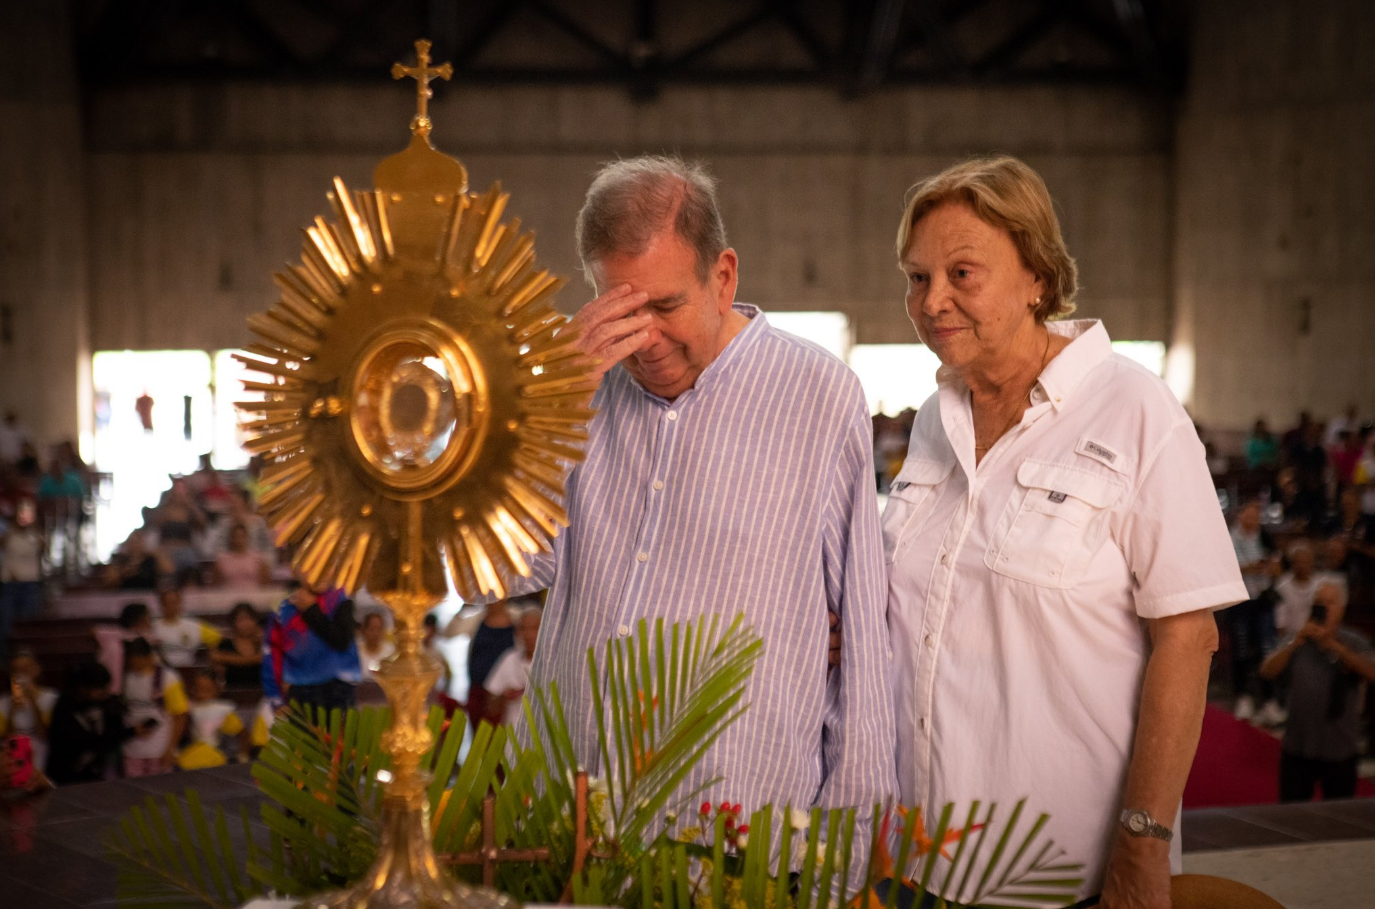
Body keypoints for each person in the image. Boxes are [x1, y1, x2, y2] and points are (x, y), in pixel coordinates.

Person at [481, 156, 895, 870]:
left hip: (744, 833)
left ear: (723, 276)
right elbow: (486, 573)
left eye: (666, 306)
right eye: (620, 309)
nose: (643, 340)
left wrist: (847, 850)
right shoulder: (572, 394)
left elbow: (858, 630)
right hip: (571, 820)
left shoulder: (817, 395)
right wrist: (550, 411)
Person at [884, 155, 1246, 908]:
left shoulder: (1132, 409)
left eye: (961, 272)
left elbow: (1187, 635)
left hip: (1060, 871)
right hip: (911, 859)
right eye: (916, 278)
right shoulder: (932, 421)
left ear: (1037, 277)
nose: (932, 300)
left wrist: (1142, 843)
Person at [1260, 581, 1375, 800]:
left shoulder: (1354, 641)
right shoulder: (1297, 639)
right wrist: (1296, 642)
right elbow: (1267, 671)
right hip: (1298, 747)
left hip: (1339, 749)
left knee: (1338, 818)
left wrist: (1334, 645)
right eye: (1318, 603)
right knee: (1291, 814)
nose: (1323, 607)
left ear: (1341, 608)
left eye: (1329, 603)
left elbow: (1371, 673)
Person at [262, 584, 361, 717]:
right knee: (305, 736)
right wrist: (276, 699)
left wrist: (311, 609)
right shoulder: (282, 607)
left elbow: (342, 642)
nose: (318, 573)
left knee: (342, 737)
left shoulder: (341, 599)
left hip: (340, 688)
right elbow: (273, 654)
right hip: (300, 689)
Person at [1228, 500, 1284, 725]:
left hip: (1262, 600)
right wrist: (1256, 566)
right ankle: (1243, 698)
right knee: (1241, 650)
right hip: (1240, 601)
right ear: (1240, 515)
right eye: (1249, 513)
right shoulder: (1231, 538)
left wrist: (1267, 567)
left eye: (1257, 514)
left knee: (1266, 649)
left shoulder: (1265, 537)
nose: (1254, 518)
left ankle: (1269, 701)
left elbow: (1278, 568)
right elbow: (1230, 567)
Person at [44, 661, 128, 785]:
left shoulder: (104, 704)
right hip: (66, 776)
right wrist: (131, 732)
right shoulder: (64, 708)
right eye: (100, 688)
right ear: (83, 688)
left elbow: (113, 731)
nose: (105, 692)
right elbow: (87, 741)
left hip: (93, 775)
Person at [120, 637, 189, 777]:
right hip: (131, 750)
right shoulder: (123, 677)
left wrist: (171, 749)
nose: (135, 667)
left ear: (148, 657)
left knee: (160, 794)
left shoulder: (168, 678)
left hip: (160, 750)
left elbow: (180, 716)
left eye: (138, 662)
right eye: (131, 663)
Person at [0, 650, 58, 774]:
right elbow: (6, 737)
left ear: (36, 670)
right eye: (17, 670)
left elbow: (45, 734)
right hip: (15, 757)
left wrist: (32, 701)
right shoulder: (3, 702)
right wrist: (12, 708)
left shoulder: (52, 698)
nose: (22, 674)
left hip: (44, 754)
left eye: (26, 669)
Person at [0, 498, 44, 659]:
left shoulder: (37, 535)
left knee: (28, 626)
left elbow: (44, 550)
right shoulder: (7, 533)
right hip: (10, 585)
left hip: (30, 585)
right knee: (6, 626)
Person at [176, 668, 246, 769]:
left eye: (207, 689)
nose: (202, 693)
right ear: (193, 688)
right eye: (199, 689)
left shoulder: (223, 709)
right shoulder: (187, 707)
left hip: (215, 752)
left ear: (216, 689)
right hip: (190, 750)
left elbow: (242, 733)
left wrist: (243, 755)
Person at [464, 598, 516, 731]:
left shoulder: (516, 618)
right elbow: (448, 633)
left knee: (501, 735)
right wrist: (463, 608)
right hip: (477, 688)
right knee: (478, 735)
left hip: (503, 694)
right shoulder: (476, 619)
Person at [484, 607, 541, 727]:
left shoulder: (554, 662)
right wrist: (503, 697)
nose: (529, 635)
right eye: (523, 629)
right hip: (513, 737)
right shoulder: (509, 658)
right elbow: (491, 707)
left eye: (535, 629)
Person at [149, 586, 222, 668]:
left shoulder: (193, 625)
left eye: (175, 602)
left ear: (180, 603)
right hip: (160, 672)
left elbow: (217, 638)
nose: (171, 606)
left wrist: (212, 654)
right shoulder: (152, 627)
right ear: (161, 604)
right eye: (167, 603)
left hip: (187, 671)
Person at [211, 602, 265, 689]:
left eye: (250, 619)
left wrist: (225, 657)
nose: (246, 624)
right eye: (241, 620)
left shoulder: (265, 642)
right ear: (233, 622)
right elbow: (215, 663)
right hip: (232, 694)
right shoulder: (225, 644)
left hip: (263, 694)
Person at [211, 524, 271, 588]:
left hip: (253, 596)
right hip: (228, 596)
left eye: (241, 536)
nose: (238, 540)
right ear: (230, 538)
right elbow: (214, 586)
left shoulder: (258, 559)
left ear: (247, 537)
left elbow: (266, 585)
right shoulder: (221, 560)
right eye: (235, 536)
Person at [356, 611, 395, 679]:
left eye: (379, 629)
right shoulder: (356, 651)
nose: (375, 633)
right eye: (372, 629)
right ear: (364, 631)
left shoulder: (390, 652)